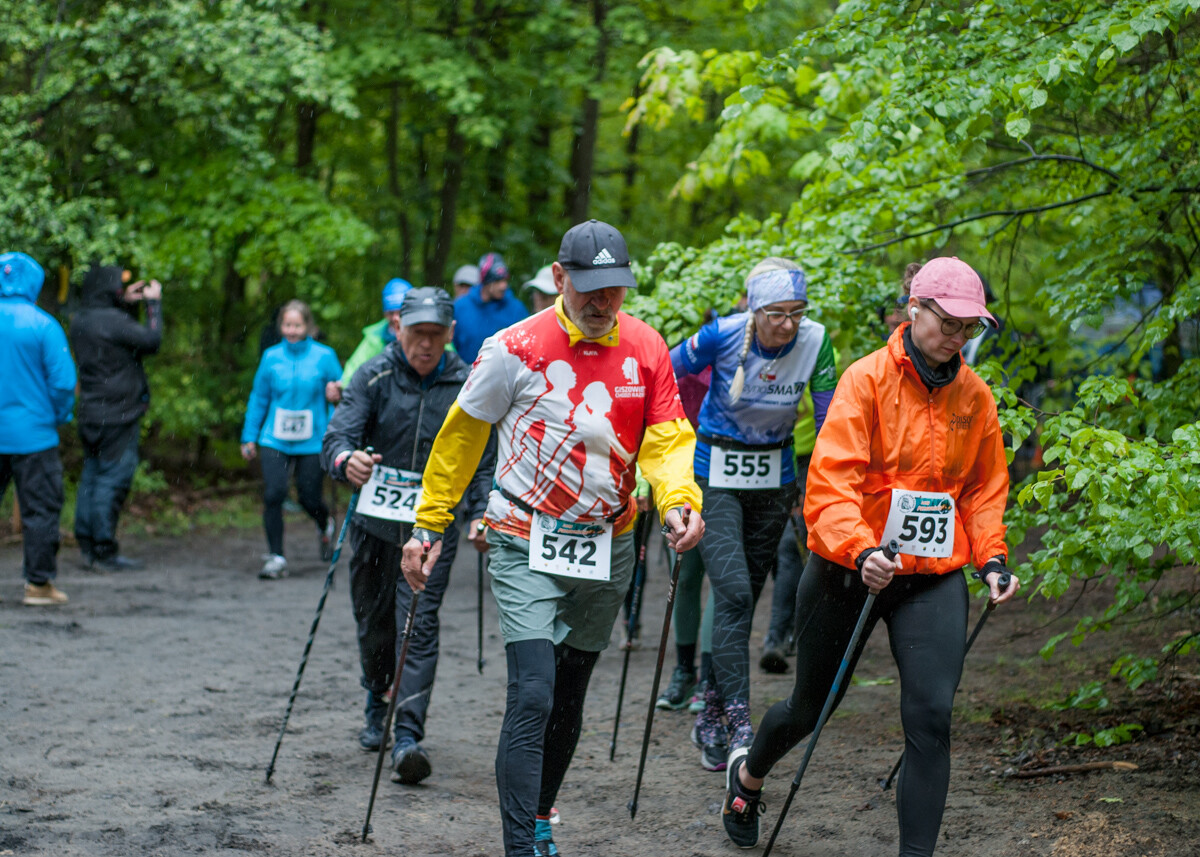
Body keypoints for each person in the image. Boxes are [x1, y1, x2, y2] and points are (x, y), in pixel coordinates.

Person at [400, 220, 705, 857]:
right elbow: (460, 439)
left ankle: (539, 819)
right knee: (534, 689)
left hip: (609, 540)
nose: (602, 302)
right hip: (522, 535)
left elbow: (668, 440)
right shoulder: (513, 347)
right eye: (590, 288)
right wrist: (429, 522)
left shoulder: (648, 349)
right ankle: (518, 845)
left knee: (570, 691)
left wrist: (678, 501)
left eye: (615, 289)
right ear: (559, 279)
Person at [721, 256, 1020, 852]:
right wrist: (860, 552)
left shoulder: (975, 397)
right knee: (811, 708)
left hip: (931, 578)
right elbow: (830, 486)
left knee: (932, 717)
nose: (958, 337)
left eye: (969, 327)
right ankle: (748, 778)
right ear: (915, 309)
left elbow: (984, 491)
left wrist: (991, 558)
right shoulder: (866, 380)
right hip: (847, 572)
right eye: (948, 323)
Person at [322, 287, 495, 783]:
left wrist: (480, 511)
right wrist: (344, 460)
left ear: (450, 334)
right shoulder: (373, 374)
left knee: (416, 625)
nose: (425, 344)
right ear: (397, 328)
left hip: (433, 528)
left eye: (435, 336)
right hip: (375, 528)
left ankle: (408, 737)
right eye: (417, 333)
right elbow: (337, 436)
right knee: (376, 622)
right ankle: (378, 697)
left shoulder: (468, 383)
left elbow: (482, 460)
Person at [671, 258, 838, 772]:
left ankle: (712, 708)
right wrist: (666, 453)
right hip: (714, 477)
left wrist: (819, 490)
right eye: (775, 314)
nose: (787, 324)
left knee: (742, 602)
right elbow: (663, 374)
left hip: (773, 482)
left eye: (796, 312)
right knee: (735, 593)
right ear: (752, 308)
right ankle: (740, 721)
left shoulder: (816, 340)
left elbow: (831, 418)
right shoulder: (721, 335)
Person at [240, 300, 342, 579]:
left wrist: (339, 433)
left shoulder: (324, 356)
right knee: (274, 494)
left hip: (313, 440)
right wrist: (249, 436)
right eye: (287, 325)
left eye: (297, 325)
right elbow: (259, 398)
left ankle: (324, 524)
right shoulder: (271, 357)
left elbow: (341, 396)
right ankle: (276, 556)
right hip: (275, 438)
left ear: (308, 327)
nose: (292, 330)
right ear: (281, 326)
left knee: (310, 497)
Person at [70, 264, 162, 571]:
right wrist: (153, 304)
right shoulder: (112, 321)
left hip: (92, 411)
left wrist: (124, 300)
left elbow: (115, 331)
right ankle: (104, 550)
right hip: (118, 413)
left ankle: (88, 545)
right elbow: (151, 341)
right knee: (112, 479)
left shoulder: (82, 319)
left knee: (92, 476)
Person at [1, 252, 76, 606]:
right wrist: (58, 415)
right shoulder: (44, 325)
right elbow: (63, 383)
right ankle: (38, 584)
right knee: (41, 509)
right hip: (34, 435)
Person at [452, 252, 528, 364]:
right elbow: (450, 344)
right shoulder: (460, 307)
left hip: (504, 377)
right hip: (464, 376)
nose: (503, 286)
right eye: (497, 281)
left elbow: (525, 346)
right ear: (485, 282)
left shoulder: (517, 309)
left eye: (505, 280)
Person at [339, 278, 412, 388]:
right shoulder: (375, 337)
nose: (395, 318)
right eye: (391, 313)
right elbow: (352, 372)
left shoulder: (427, 335)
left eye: (400, 312)